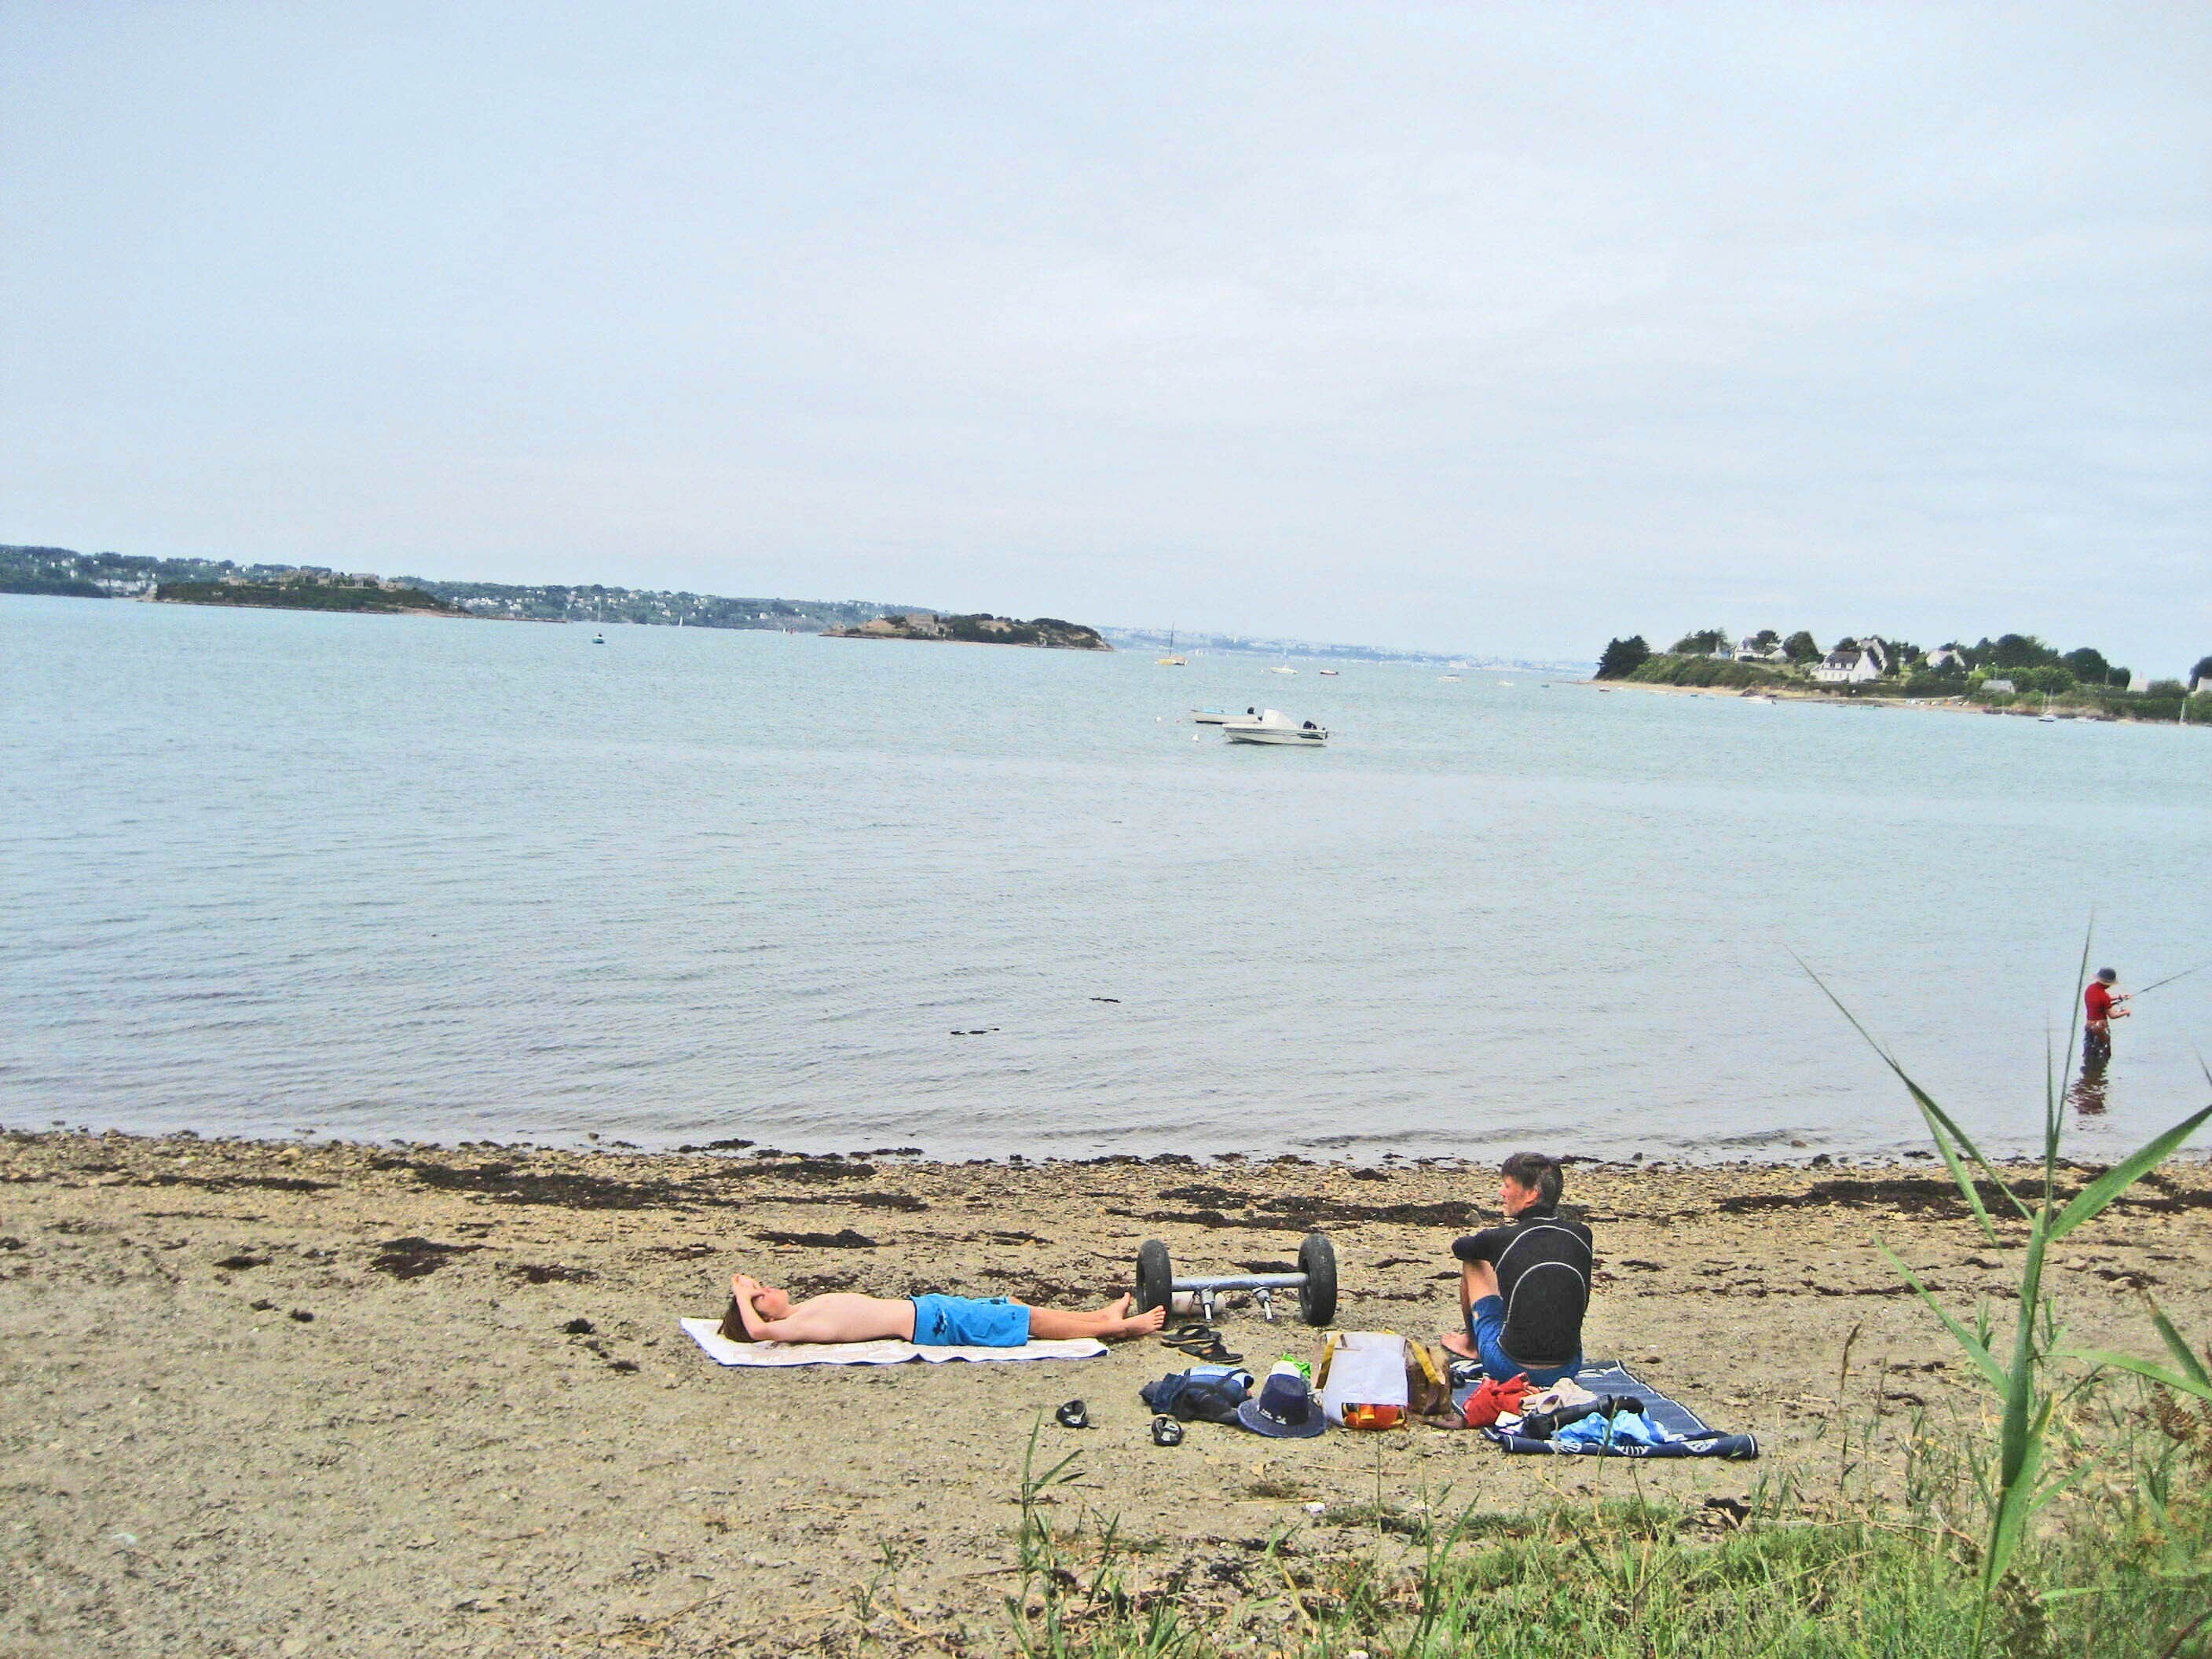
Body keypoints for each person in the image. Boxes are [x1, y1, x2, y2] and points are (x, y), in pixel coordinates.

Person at [1442, 1152, 1591, 1386]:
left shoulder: (1501, 1238)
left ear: (1532, 1194)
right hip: (1568, 1368)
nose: (1502, 1192)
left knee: (1474, 1261)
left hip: (1511, 1368)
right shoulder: (1582, 1234)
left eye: (1507, 1186)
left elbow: (1460, 1248)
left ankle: (1471, 1345)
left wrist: (1487, 1243)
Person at [720, 1273, 1166, 1346]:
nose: (766, 1287)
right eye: (761, 1293)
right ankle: (1120, 1330)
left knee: (1010, 1305)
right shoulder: (796, 1324)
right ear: (765, 1314)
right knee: (1022, 1321)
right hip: (931, 1323)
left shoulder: (804, 1309)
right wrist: (741, 1298)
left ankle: (1099, 1319)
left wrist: (749, 1297)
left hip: (928, 1309)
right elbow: (758, 1334)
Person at [2084, 967, 2130, 1065]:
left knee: (2090, 1050)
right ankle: (2100, 1072)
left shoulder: (2090, 988)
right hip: (2100, 1027)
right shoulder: (2103, 996)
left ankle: (2090, 1071)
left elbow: (2103, 999)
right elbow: (2112, 1015)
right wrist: (2125, 1012)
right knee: (2104, 1053)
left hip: (2089, 1025)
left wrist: (2120, 997)